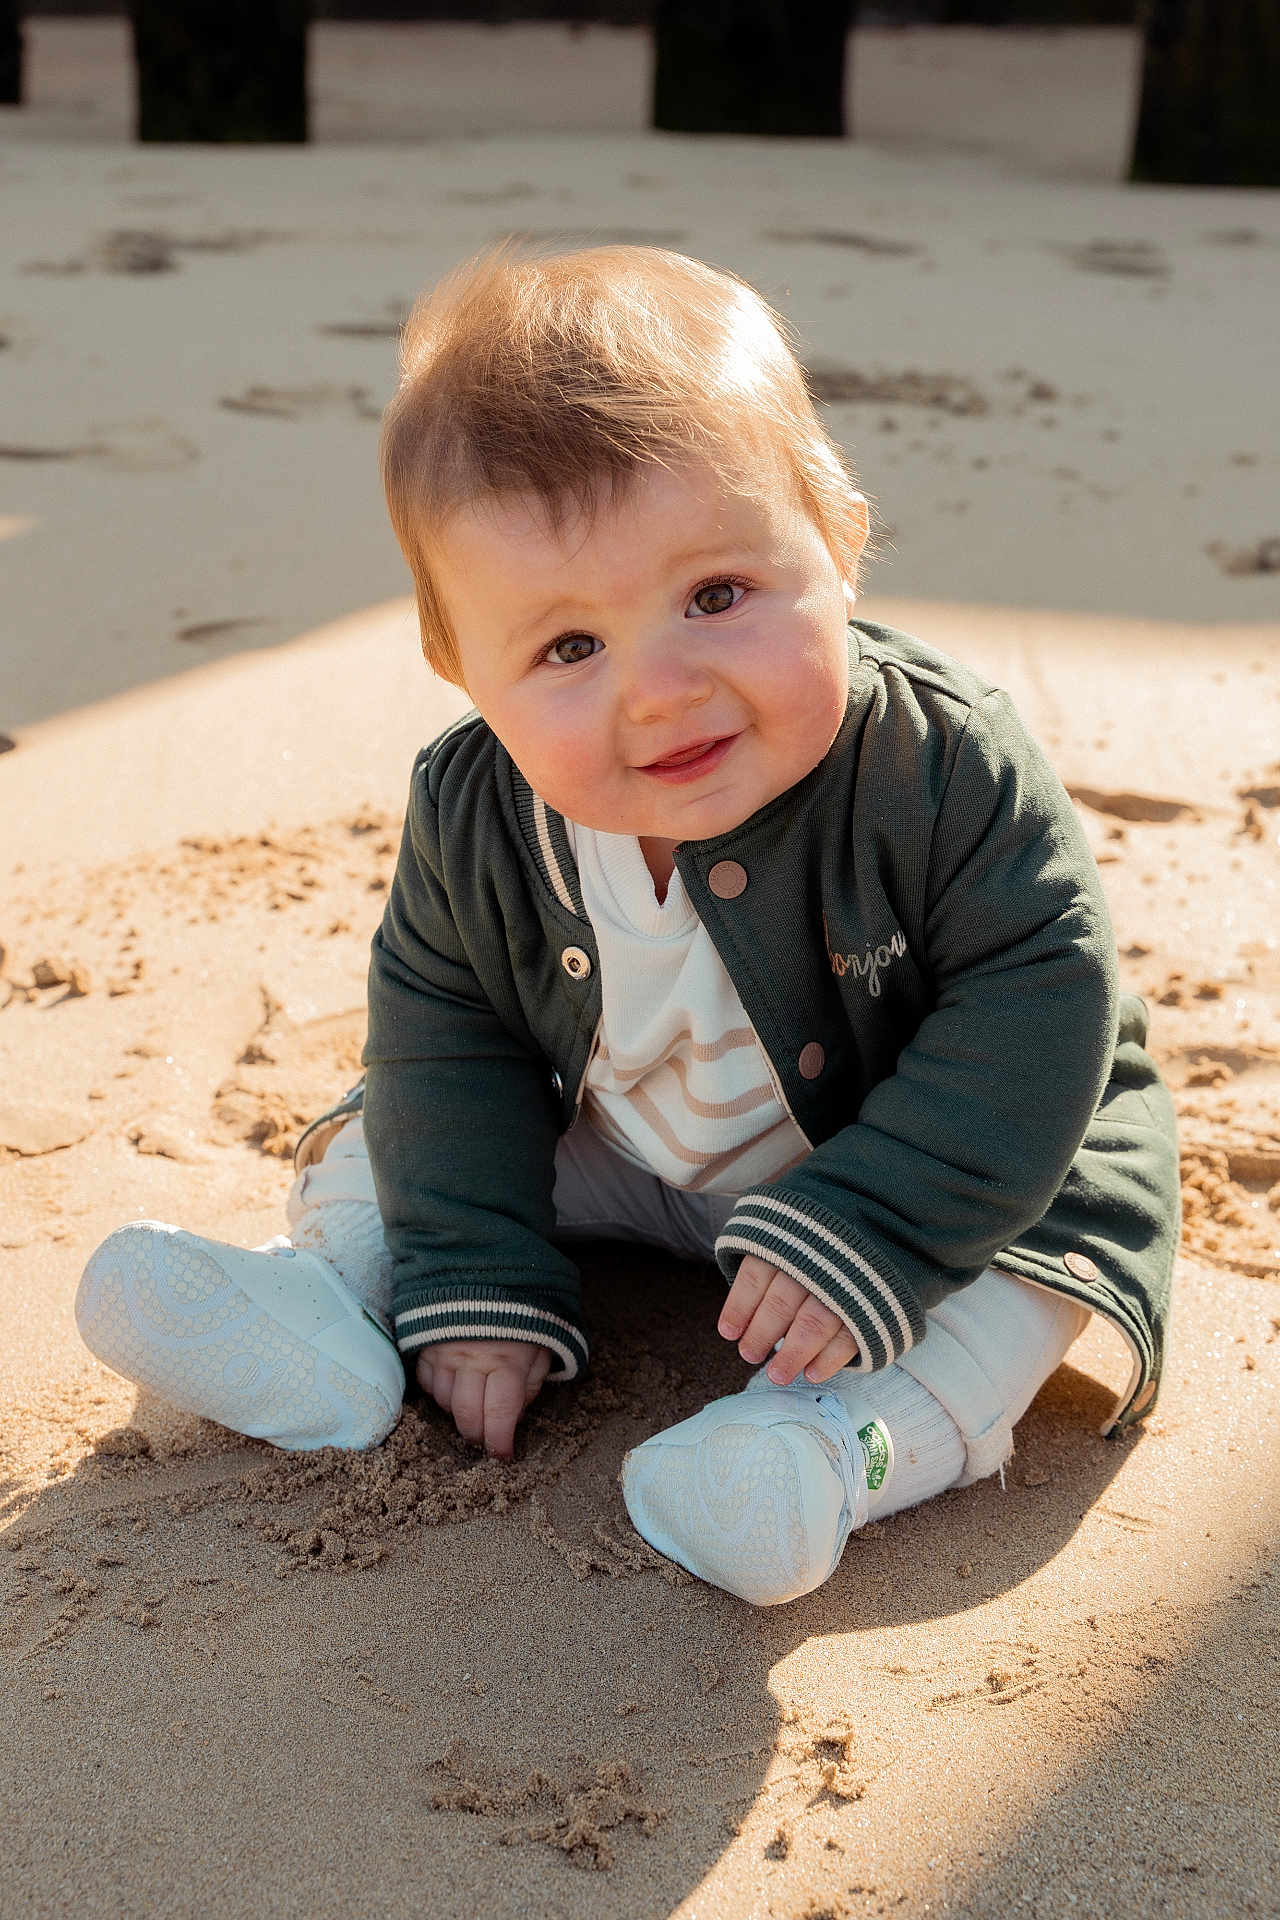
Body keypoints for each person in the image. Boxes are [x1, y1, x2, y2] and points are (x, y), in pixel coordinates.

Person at [76, 242, 1180, 1606]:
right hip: (639, 1144)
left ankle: (835, 1454)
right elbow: (452, 1038)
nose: (659, 690)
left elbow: (1039, 999)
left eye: (715, 596)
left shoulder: (939, 766)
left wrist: (879, 1222)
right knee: (393, 1127)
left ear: (839, 543)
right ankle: (336, 1303)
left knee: (1032, 1290)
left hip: (957, 1167)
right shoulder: (475, 809)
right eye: (566, 649)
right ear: (461, 666)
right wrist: (470, 1265)